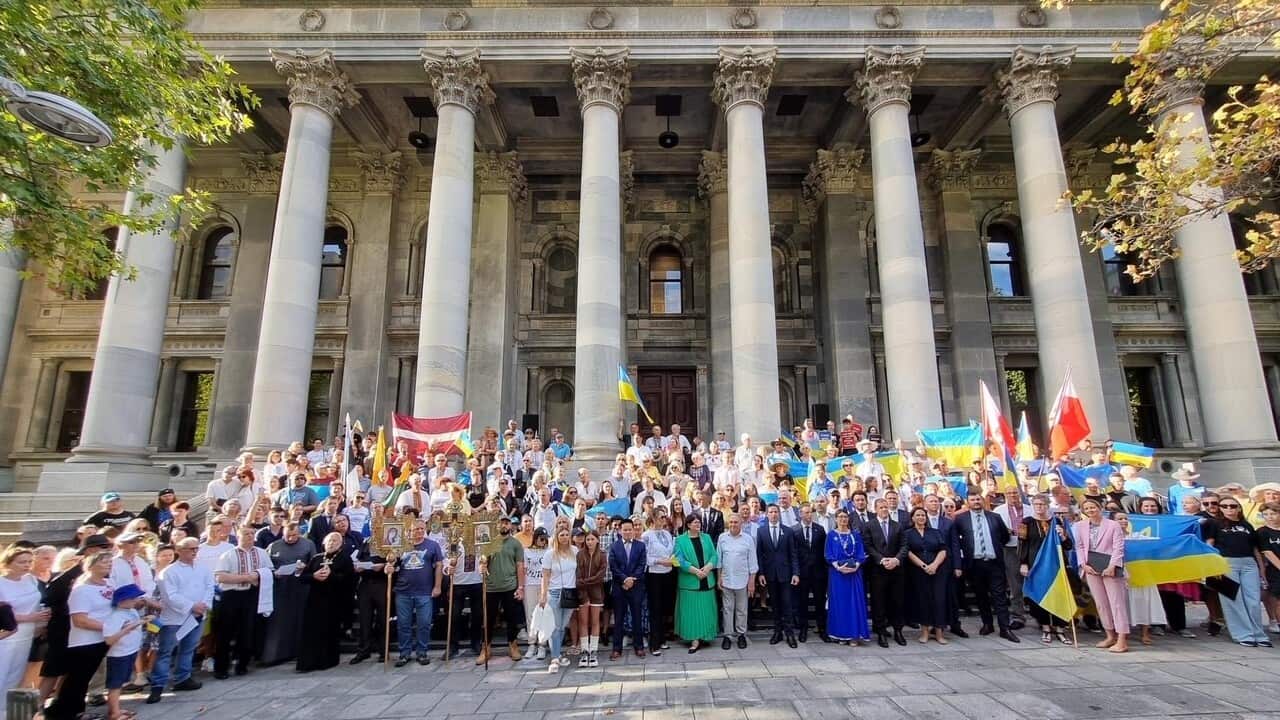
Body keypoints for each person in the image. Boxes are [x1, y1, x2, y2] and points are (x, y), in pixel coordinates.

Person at [146, 538, 212, 705]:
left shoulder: (203, 568)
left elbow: (209, 587)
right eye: (191, 549)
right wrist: (191, 606)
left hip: (197, 615)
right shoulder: (168, 572)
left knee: (189, 648)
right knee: (166, 651)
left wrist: (204, 605)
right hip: (175, 618)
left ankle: (183, 678)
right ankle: (158, 685)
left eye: (196, 549)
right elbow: (170, 596)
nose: (194, 552)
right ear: (179, 550)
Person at [951, 491, 1020, 643]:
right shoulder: (961, 519)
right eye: (972, 499)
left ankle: (1004, 628)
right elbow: (956, 541)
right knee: (981, 596)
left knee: (999, 596)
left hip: (994, 562)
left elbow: (1004, 536)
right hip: (975, 563)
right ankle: (987, 624)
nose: (976, 502)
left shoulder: (994, 517)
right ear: (967, 502)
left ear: (982, 500)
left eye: (978, 499)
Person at [1208, 496, 1270, 647]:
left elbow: (1256, 549)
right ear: (1220, 508)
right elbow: (1209, 544)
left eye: (1233, 506)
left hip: (1249, 563)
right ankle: (1242, 634)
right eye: (1225, 506)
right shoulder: (1214, 524)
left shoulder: (1247, 525)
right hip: (1225, 562)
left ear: (1239, 508)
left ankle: (1258, 634)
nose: (1229, 509)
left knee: (1253, 600)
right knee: (1232, 600)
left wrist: (1261, 569)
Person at [1072, 497, 1130, 653]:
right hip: (1091, 567)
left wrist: (1112, 566)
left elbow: (1119, 547)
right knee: (1101, 603)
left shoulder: (1113, 525)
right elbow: (1080, 546)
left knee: (1116, 603)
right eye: (1087, 508)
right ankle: (1109, 635)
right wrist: (1083, 564)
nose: (1091, 510)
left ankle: (1122, 639)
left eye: (1093, 507)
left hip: (1110, 567)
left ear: (1100, 508)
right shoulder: (1079, 526)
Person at [212, 526, 270, 678]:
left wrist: (257, 576)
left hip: (251, 594)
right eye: (246, 533)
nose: (250, 536)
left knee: (247, 630)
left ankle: (242, 664)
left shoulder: (261, 553)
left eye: (252, 533)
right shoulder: (228, 555)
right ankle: (221, 668)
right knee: (225, 632)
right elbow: (220, 577)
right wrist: (245, 577)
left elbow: (269, 570)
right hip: (232, 594)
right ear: (238, 536)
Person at [1019, 494, 1074, 645]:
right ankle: (1045, 628)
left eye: (1042, 504)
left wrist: (1063, 536)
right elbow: (1022, 544)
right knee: (1040, 596)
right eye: (1036, 504)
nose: (1039, 507)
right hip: (1036, 565)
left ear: (1048, 505)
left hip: (1056, 565)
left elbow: (1068, 545)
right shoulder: (1026, 522)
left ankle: (1060, 628)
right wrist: (1023, 563)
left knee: (1059, 596)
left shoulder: (1057, 521)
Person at [387, 520, 444, 667]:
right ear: (409, 530)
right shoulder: (400, 545)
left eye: (421, 529)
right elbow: (392, 562)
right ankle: (404, 653)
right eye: (415, 529)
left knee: (424, 623)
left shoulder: (433, 545)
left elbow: (439, 565)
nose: (419, 531)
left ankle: (422, 651)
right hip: (403, 591)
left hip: (424, 591)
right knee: (403, 624)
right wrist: (389, 567)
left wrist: (437, 586)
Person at [296, 532, 354, 672]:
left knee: (329, 630)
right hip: (314, 601)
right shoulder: (316, 558)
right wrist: (314, 576)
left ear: (340, 544)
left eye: (335, 541)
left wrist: (332, 576)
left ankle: (327, 661)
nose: (331, 543)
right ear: (323, 542)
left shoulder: (344, 559)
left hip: (333, 600)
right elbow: (303, 577)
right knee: (311, 631)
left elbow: (349, 579)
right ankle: (308, 662)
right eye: (329, 541)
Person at [260, 522, 314, 665]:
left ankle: (297, 651)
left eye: (294, 535)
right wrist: (274, 572)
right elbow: (265, 565)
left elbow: (315, 562)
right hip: (280, 586)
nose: (290, 539)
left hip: (300, 585)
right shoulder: (274, 546)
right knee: (279, 621)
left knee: (299, 618)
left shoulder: (308, 544)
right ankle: (276, 654)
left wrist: (305, 567)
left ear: (300, 534)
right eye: (287, 536)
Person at [0, 545, 47, 703]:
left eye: (29, 561)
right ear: (8, 562)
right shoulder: (1, 583)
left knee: (16, 674)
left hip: (28, 633)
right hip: (7, 634)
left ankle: (7, 711)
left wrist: (40, 619)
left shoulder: (31, 579)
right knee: (2, 672)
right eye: (21, 562)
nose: (27, 565)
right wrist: (30, 617)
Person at [478, 515, 526, 664]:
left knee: (511, 618)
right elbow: (482, 562)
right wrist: (482, 566)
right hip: (491, 587)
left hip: (509, 586)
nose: (504, 525)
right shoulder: (489, 542)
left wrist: (521, 587)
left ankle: (513, 644)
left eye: (507, 523)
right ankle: (486, 647)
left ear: (511, 525)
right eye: (501, 523)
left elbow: (520, 566)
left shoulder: (516, 544)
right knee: (488, 619)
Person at [862, 498, 907, 648]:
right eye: (881, 507)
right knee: (878, 602)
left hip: (896, 570)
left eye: (886, 507)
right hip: (878, 570)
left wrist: (896, 559)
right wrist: (881, 560)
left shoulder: (897, 526)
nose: (884, 510)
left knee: (897, 601)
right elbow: (868, 546)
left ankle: (898, 630)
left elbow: (904, 546)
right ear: (875, 509)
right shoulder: (868, 526)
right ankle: (881, 631)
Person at [102, 584, 149, 720]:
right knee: (115, 685)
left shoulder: (131, 612)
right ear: (122, 601)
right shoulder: (115, 616)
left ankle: (116, 708)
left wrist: (142, 622)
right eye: (133, 598)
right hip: (119, 654)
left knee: (121, 683)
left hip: (130, 651)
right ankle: (114, 713)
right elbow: (109, 640)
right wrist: (126, 630)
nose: (136, 601)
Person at [756, 504, 800, 648]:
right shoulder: (761, 531)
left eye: (776, 512)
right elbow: (759, 555)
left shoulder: (787, 531)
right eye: (771, 512)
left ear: (779, 514)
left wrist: (795, 573)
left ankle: (789, 633)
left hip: (786, 574)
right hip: (770, 574)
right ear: (767, 514)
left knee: (787, 604)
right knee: (775, 604)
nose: (774, 514)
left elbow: (793, 554)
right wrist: (761, 573)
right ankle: (777, 631)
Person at [672, 515, 718, 653]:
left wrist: (709, 567)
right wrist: (695, 571)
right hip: (690, 582)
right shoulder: (680, 540)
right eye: (695, 522)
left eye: (699, 522)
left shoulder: (707, 537)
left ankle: (705, 636)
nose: (698, 524)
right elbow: (677, 559)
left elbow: (714, 555)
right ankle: (694, 639)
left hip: (707, 579)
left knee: (706, 611)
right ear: (688, 525)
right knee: (691, 613)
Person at [903, 507, 949, 644]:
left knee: (939, 600)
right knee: (923, 601)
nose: (921, 517)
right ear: (912, 518)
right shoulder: (907, 534)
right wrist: (923, 566)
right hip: (918, 572)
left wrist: (934, 565)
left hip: (937, 570)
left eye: (923, 515)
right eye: (918, 515)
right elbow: (908, 552)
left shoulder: (935, 532)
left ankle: (940, 633)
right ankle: (925, 632)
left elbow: (943, 550)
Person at [824, 509, 869, 645]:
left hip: (854, 574)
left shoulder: (855, 535)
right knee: (839, 604)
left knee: (853, 603)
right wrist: (838, 567)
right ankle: (841, 634)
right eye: (840, 517)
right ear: (836, 519)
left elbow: (861, 553)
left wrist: (856, 565)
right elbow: (828, 554)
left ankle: (854, 634)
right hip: (837, 575)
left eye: (845, 517)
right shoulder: (831, 535)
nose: (843, 519)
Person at [715, 512, 757, 650]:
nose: (733, 524)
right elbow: (719, 560)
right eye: (731, 522)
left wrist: (752, 582)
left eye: (736, 522)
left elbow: (752, 562)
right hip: (726, 579)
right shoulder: (722, 538)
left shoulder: (748, 539)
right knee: (727, 609)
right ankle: (727, 636)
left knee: (742, 609)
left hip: (742, 580)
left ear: (741, 524)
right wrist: (719, 577)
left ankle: (741, 635)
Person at [539, 527, 578, 673]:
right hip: (554, 592)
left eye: (567, 534)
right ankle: (555, 657)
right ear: (556, 536)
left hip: (570, 592)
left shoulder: (574, 551)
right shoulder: (550, 554)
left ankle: (558, 652)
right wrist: (543, 595)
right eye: (561, 535)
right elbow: (545, 576)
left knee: (563, 626)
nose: (564, 537)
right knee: (554, 627)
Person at [349, 531, 390, 665]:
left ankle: (383, 652)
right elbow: (358, 558)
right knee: (364, 619)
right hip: (365, 583)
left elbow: (395, 562)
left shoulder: (388, 542)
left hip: (382, 583)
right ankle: (363, 650)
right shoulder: (366, 542)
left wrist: (384, 566)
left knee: (383, 619)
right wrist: (358, 566)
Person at [608, 519, 646, 659]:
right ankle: (617, 648)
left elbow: (642, 565)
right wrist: (624, 579)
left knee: (637, 617)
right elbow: (613, 566)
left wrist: (631, 580)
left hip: (636, 586)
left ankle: (639, 647)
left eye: (630, 529)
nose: (628, 532)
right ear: (620, 531)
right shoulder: (614, 546)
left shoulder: (640, 546)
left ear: (634, 530)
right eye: (625, 529)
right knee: (619, 618)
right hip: (619, 586)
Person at [993, 487, 1029, 630]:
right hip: (1010, 548)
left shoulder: (1029, 509)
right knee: (1015, 583)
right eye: (1009, 493)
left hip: (1029, 548)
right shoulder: (998, 511)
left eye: (1015, 492)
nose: (1012, 495)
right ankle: (1018, 615)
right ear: (1005, 495)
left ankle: (1041, 616)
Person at [793, 504, 828, 642]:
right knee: (803, 602)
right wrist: (795, 572)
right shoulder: (794, 531)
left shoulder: (820, 529)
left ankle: (822, 629)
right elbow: (794, 553)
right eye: (805, 513)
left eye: (810, 513)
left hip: (818, 573)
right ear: (800, 514)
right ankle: (803, 629)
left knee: (820, 601)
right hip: (802, 573)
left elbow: (824, 551)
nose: (808, 515)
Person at [642, 514, 676, 656]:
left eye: (664, 518)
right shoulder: (646, 536)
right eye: (660, 517)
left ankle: (662, 639)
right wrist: (661, 562)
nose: (663, 520)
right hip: (654, 574)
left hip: (667, 573)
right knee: (655, 608)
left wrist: (671, 560)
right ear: (652, 519)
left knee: (663, 607)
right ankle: (654, 643)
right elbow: (645, 557)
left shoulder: (667, 534)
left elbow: (672, 550)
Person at [523, 529, 549, 659]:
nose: (543, 541)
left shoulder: (549, 551)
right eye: (541, 538)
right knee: (531, 614)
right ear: (535, 538)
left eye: (545, 538)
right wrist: (521, 587)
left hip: (545, 585)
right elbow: (524, 569)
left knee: (544, 615)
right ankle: (531, 643)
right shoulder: (526, 551)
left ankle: (542, 644)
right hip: (530, 584)